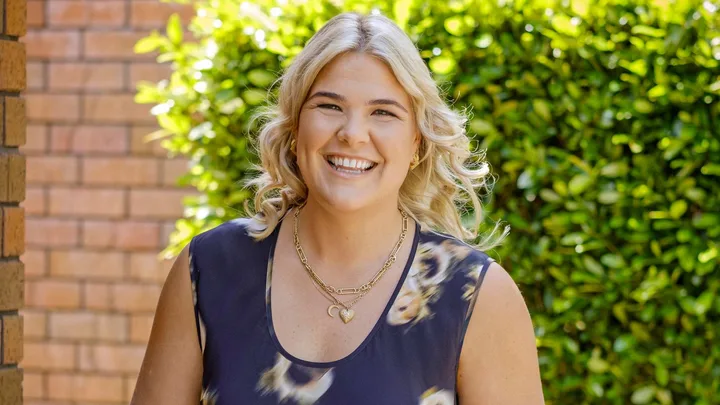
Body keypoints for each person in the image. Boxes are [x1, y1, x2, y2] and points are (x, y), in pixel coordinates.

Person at [131, 11, 544, 405]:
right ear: (295, 128)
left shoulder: (475, 295)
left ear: (416, 143)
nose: (352, 134)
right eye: (329, 106)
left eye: (383, 112)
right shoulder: (207, 270)